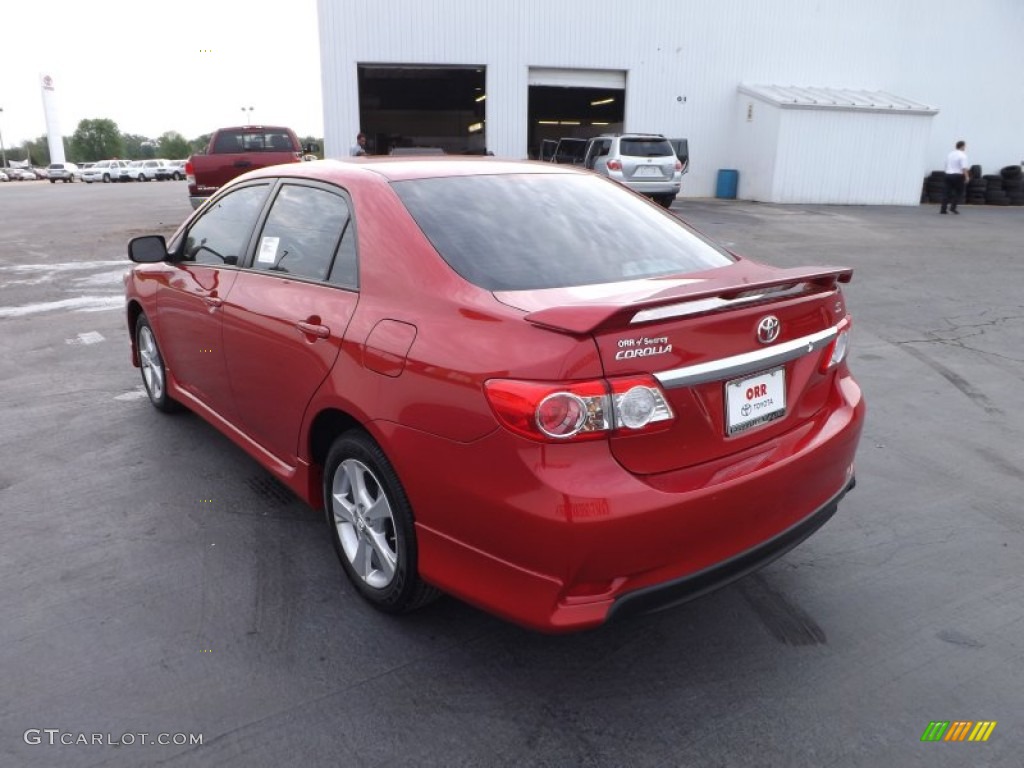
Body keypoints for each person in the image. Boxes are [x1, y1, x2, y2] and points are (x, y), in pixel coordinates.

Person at [940, 140, 969, 214]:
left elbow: (946, 164)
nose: (965, 147)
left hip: (948, 174)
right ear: (962, 146)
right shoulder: (963, 155)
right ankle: (953, 208)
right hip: (958, 175)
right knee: (959, 192)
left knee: (946, 192)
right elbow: (964, 168)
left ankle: (943, 209)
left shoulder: (950, 154)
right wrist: (967, 177)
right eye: (965, 146)